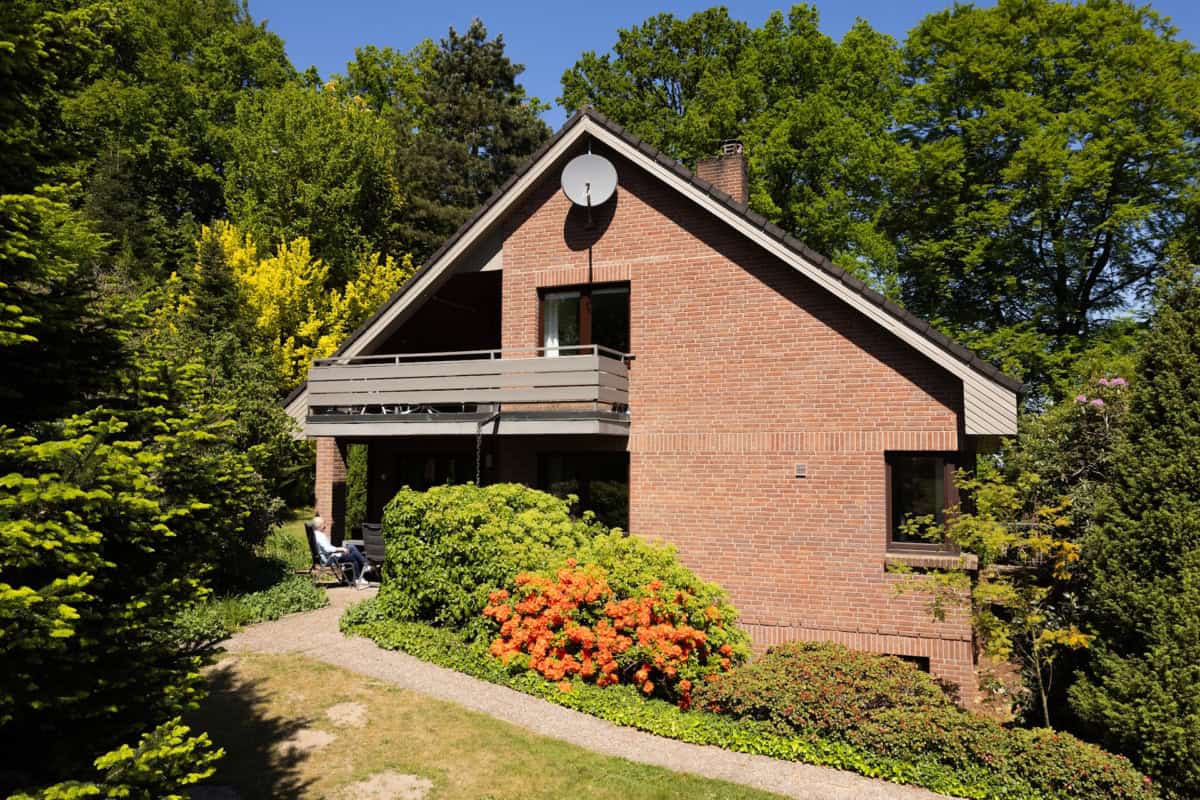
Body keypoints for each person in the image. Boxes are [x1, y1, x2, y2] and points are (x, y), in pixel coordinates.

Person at [312, 514, 369, 588]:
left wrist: (341, 549)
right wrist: (341, 549)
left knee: (350, 547)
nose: (325, 526)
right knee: (353, 556)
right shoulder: (320, 536)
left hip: (327, 557)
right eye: (324, 524)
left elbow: (327, 548)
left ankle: (363, 566)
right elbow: (328, 549)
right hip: (330, 559)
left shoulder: (315, 535)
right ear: (319, 525)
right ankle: (359, 576)